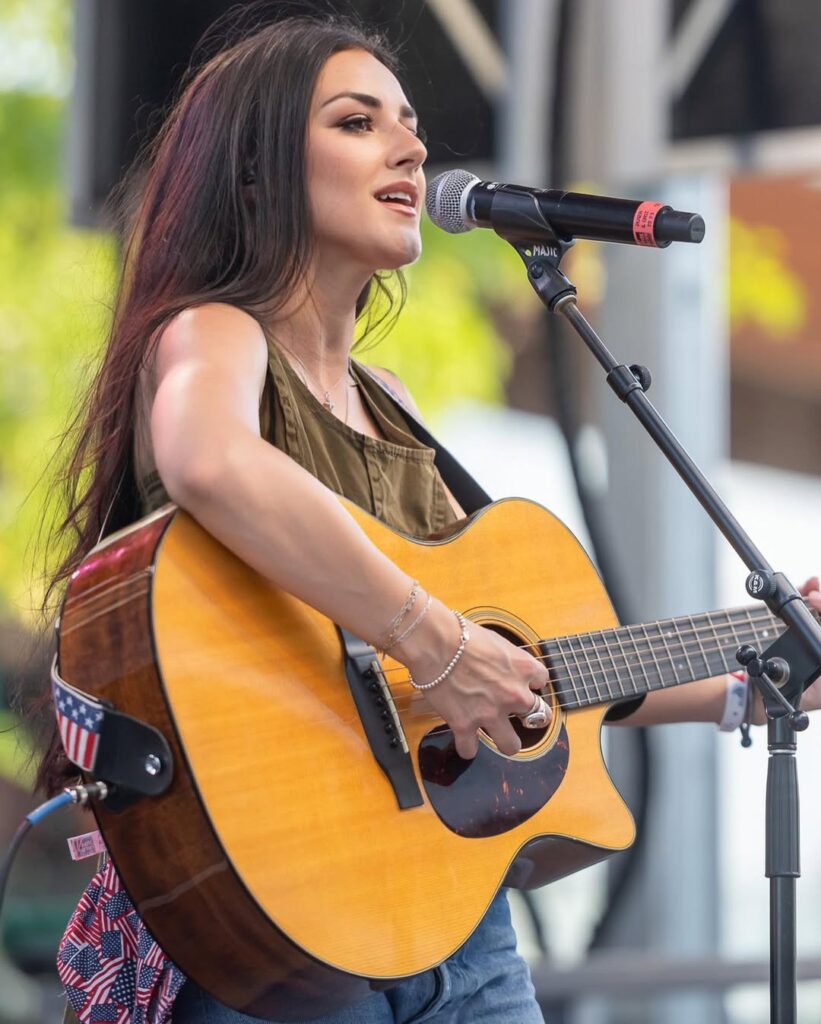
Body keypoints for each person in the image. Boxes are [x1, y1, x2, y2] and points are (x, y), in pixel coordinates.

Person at [35, 12, 821, 1024]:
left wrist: (749, 679)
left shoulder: (393, 401)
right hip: (280, 913)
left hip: (453, 916)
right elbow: (209, 461)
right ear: (254, 169)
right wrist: (435, 640)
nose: (410, 145)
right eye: (357, 123)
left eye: (407, 123)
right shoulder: (214, 335)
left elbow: (530, 670)